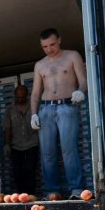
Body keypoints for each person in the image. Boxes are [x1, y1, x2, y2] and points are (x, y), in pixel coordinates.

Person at [30, 28, 88, 199]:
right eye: (45, 46)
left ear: (60, 40)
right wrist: (34, 114)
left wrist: (80, 91)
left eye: (52, 44)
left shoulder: (72, 56)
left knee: (68, 149)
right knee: (47, 151)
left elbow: (83, 80)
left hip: (67, 106)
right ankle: (52, 190)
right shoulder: (40, 65)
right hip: (45, 108)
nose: (49, 49)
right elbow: (35, 92)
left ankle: (76, 189)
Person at [4, 85, 40, 194]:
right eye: (18, 97)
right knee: (17, 171)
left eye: (23, 97)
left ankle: (30, 194)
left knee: (30, 169)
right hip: (16, 145)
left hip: (32, 142)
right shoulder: (9, 110)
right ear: (15, 96)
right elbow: (7, 128)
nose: (20, 99)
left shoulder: (34, 107)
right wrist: (7, 144)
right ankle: (20, 194)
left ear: (27, 96)